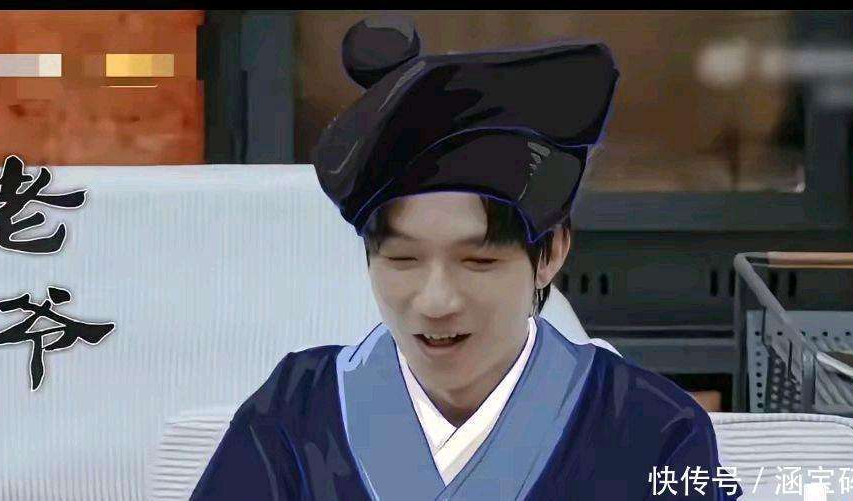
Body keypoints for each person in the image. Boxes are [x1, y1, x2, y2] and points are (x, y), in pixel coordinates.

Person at [192, 17, 741, 500]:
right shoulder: (295, 411)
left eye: (477, 262)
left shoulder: (653, 430)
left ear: (550, 252)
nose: (435, 302)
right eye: (402, 259)